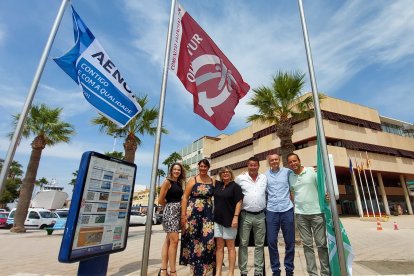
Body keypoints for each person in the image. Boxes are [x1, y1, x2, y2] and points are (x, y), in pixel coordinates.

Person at [287, 153, 330, 276]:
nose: (293, 164)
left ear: (299, 161)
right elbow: (292, 192)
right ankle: (312, 273)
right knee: (307, 246)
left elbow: (323, 186)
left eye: (295, 161)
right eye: (290, 162)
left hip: (317, 213)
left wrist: (327, 195)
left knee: (321, 244)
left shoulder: (312, 171)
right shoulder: (290, 176)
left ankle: (325, 273)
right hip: (300, 215)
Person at [180, 159, 216, 275]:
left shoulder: (212, 181)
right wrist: (183, 215)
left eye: (205, 166)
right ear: (198, 167)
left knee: (209, 240)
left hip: (208, 214)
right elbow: (185, 197)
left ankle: (208, 268)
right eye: (201, 166)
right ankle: (196, 270)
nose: (203, 168)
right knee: (194, 240)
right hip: (193, 214)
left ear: (208, 168)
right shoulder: (193, 180)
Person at [235, 156, 267, 276]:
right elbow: (233, 191)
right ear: (247, 166)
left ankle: (258, 270)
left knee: (260, 244)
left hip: (260, 215)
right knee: (243, 244)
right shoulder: (240, 178)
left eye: (255, 165)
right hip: (245, 215)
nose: (253, 167)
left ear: (258, 166)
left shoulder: (264, 178)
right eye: (250, 165)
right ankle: (243, 270)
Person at [265, 154, 295, 276]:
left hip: (286, 210)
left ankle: (289, 269)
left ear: (280, 160)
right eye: (272, 160)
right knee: (271, 241)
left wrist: (312, 169)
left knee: (290, 242)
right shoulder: (265, 175)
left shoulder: (288, 172)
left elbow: (298, 172)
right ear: (269, 162)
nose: (274, 161)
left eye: (276, 159)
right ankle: (275, 270)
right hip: (271, 211)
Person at [214, 167, 244, 276]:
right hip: (217, 220)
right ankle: (218, 271)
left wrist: (235, 217)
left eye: (227, 172)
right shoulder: (218, 186)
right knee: (219, 247)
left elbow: (239, 202)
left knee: (231, 247)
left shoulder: (235, 186)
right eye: (223, 172)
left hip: (230, 220)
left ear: (231, 174)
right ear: (221, 175)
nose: (225, 174)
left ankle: (231, 272)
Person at [158, 163, 186, 276]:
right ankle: (173, 272)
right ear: (171, 170)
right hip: (170, 212)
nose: (176, 171)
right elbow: (160, 200)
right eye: (175, 169)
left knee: (168, 241)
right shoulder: (167, 182)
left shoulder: (178, 183)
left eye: (178, 169)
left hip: (177, 213)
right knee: (174, 241)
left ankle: (164, 271)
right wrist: (170, 206)